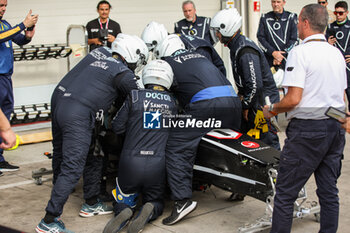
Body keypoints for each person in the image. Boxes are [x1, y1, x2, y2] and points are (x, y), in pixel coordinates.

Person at [35, 34, 149, 233]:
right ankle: (49, 220)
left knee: (93, 155)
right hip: (79, 115)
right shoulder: (124, 74)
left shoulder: (98, 56)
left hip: (62, 103)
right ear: (132, 55)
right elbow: (139, 101)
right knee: (72, 167)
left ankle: (91, 202)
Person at [262, 4, 347, 232]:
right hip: (334, 130)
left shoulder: (300, 53)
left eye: (298, 22)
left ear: (306, 22)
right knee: (329, 192)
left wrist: (271, 109)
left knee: (285, 195)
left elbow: (293, 99)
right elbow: (337, 99)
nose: (297, 26)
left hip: (307, 134)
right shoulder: (336, 54)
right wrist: (343, 123)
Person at [153, 34, 242, 225]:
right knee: (229, 145)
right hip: (233, 102)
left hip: (207, 105)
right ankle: (240, 185)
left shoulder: (168, 64)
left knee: (176, 147)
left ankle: (182, 200)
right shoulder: (200, 55)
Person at [103, 60, 177, 233]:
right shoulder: (173, 103)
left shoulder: (134, 96)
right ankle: (150, 208)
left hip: (131, 161)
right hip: (157, 163)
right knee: (157, 200)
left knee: (122, 198)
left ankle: (124, 211)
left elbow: (117, 126)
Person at [210, 8, 281, 150]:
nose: (216, 34)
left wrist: (246, 106)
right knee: (250, 142)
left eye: (218, 30)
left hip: (263, 104)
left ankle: (277, 171)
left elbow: (255, 85)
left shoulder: (245, 51)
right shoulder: (235, 45)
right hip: (255, 100)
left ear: (227, 28)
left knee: (266, 143)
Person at [0, 0, 38, 172]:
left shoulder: (5, 24)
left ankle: (0, 158)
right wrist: (23, 24)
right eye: (0, 5)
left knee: (5, 117)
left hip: (6, 78)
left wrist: (28, 33)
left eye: (5, 6)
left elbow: (19, 40)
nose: (3, 9)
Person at [141, 21, 226, 76]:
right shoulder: (175, 42)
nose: (155, 53)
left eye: (154, 50)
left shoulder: (195, 49)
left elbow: (208, 78)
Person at [257, 0, 298, 70]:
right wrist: (273, 52)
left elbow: (295, 40)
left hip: (287, 61)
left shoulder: (291, 17)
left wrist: (281, 56)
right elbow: (260, 38)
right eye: (273, 2)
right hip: (270, 61)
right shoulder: (264, 18)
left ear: (284, 3)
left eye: (278, 2)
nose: (276, 4)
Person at [326, 1, 350, 109]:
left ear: (346, 13)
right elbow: (323, 46)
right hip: (336, 68)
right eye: (336, 13)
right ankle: (338, 124)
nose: (338, 16)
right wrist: (328, 43)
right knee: (335, 100)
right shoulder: (330, 27)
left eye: (341, 13)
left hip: (348, 68)